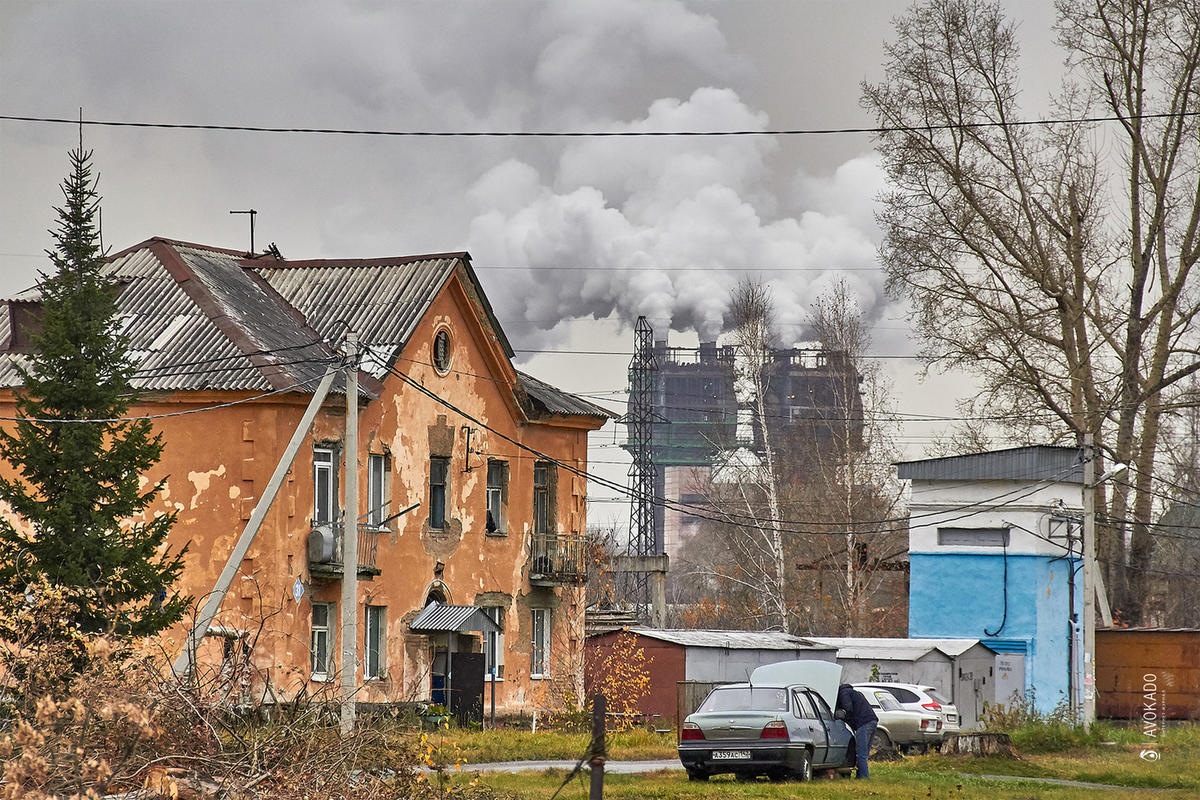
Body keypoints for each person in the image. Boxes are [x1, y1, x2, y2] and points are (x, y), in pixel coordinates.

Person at [836, 684, 879, 779]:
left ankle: (863, 777)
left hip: (864, 723)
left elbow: (848, 708)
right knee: (864, 754)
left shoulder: (843, 693)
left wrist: (843, 718)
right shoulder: (855, 693)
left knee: (861, 754)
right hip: (873, 721)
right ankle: (861, 775)